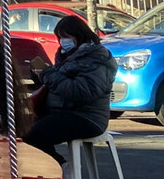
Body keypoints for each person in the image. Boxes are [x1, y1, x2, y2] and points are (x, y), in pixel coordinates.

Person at [24, 14, 116, 165]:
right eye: (59, 37)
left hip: (86, 117)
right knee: (22, 128)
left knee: (35, 133)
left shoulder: (96, 58)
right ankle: (52, 167)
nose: (62, 41)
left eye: (65, 37)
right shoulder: (66, 56)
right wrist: (39, 75)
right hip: (62, 111)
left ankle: (58, 167)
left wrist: (48, 74)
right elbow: (58, 84)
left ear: (79, 36)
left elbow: (81, 92)